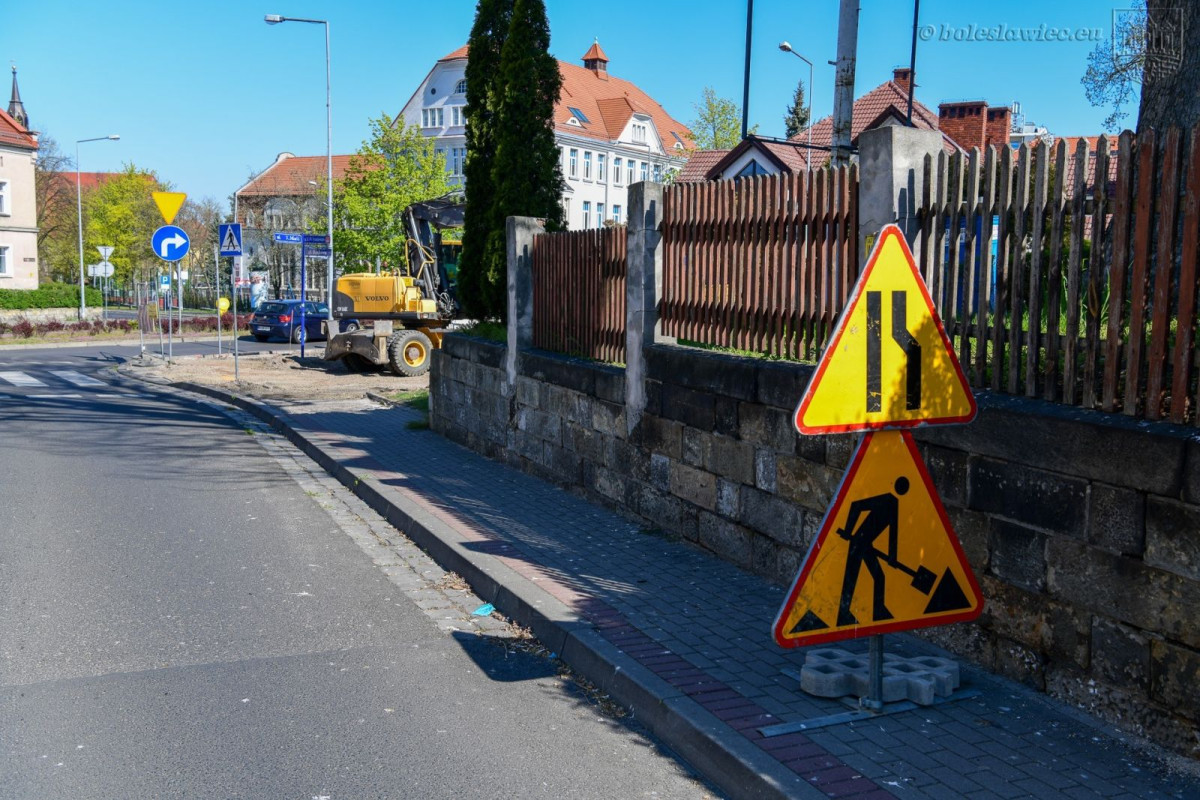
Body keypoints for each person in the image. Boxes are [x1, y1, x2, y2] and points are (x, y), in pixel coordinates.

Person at [835, 476, 909, 627]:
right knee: (851, 577)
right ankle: (844, 614)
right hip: (858, 543)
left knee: (877, 577)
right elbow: (856, 505)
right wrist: (848, 529)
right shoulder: (887, 500)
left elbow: (892, 534)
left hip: (865, 545)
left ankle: (878, 610)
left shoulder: (894, 504)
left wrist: (892, 557)